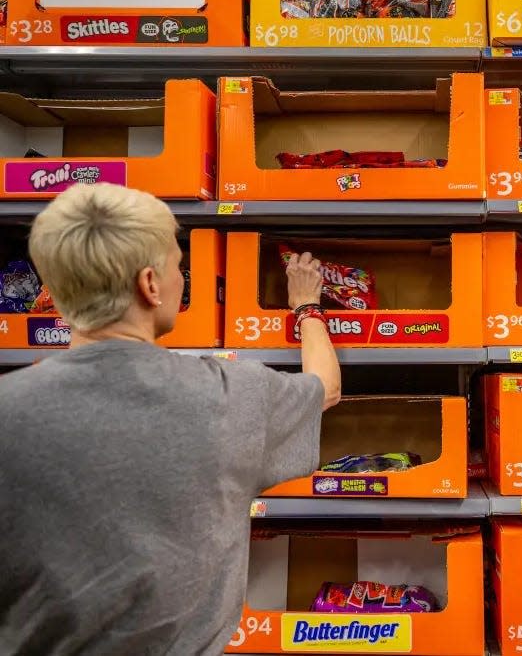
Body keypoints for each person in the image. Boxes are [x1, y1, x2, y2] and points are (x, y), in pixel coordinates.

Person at [0, 184, 341, 655]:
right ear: (150, 284)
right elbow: (326, 388)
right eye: (178, 266)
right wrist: (306, 305)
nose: (181, 279)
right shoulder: (231, 394)